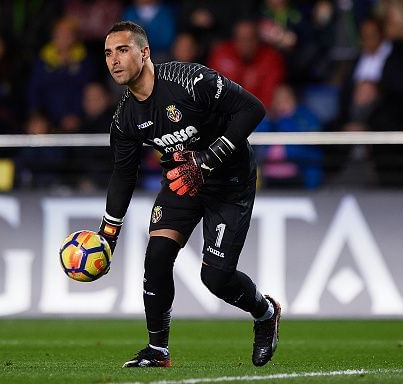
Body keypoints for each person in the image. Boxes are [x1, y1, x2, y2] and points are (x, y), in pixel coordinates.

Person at [98, 21, 281, 368]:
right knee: (156, 256)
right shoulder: (124, 118)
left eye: (123, 50)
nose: (114, 60)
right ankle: (157, 351)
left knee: (215, 278)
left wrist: (209, 160)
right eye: (108, 53)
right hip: (183, 184)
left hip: (230, 182)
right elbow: (123, 174)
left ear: (145, 52)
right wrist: (108, 234)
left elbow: (253, 109)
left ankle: (265, 312)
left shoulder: (189, 81)